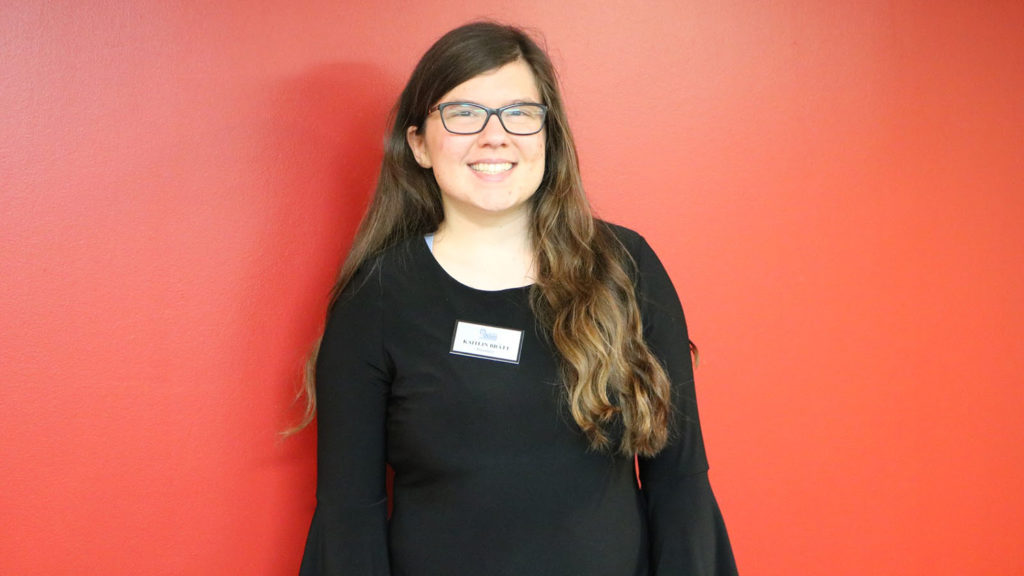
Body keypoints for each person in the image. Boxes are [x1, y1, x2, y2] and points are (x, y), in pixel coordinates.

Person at [296, 21, 738, 576]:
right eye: (463, 113)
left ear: (548, 136)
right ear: (419, 144)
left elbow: (680, 485)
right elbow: (348, 517)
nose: (494, 135)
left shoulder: (627, 269)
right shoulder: (377, 297)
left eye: (519, 113)